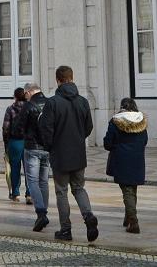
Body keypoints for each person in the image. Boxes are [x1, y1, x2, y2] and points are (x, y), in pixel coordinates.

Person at [37, 65, 98, 243]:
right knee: (79, 188)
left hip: (60, 153)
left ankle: (66, 229)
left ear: (58, 80)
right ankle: (88, 216)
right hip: (78, 153)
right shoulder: (83, 101)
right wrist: (78, 138)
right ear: (72, 78)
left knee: (61, 191)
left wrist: (50, 146)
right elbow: (89, 127)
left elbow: (46, 129)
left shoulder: (53, 102)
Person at [103, 97, 148, 234]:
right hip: (137, 159)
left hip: (122, 160)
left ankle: (133, 222)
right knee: (132, 189)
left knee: (127, 190)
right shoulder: (141, 121)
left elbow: (108, 143)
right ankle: (128, 217)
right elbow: (144, 140)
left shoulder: (116, 121)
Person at [21, 82, 51, 231]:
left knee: (32, 181)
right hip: (47, 148)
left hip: (32, 147)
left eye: (25, 94)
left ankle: (41, 213)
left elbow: (18, 127)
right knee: (44, 181)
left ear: (29, 92)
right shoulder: (50, 103)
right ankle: (44, 211)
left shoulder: (28, 106)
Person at [1, 87, 29, 202]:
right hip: (28, 141)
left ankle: (16, 193)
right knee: (29, 168)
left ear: (15, 96)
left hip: (15, 141)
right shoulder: (30, 108)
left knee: (15, 168)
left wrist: (6, 143)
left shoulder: (10, 109)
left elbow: (6, 127)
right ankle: (29, 194)